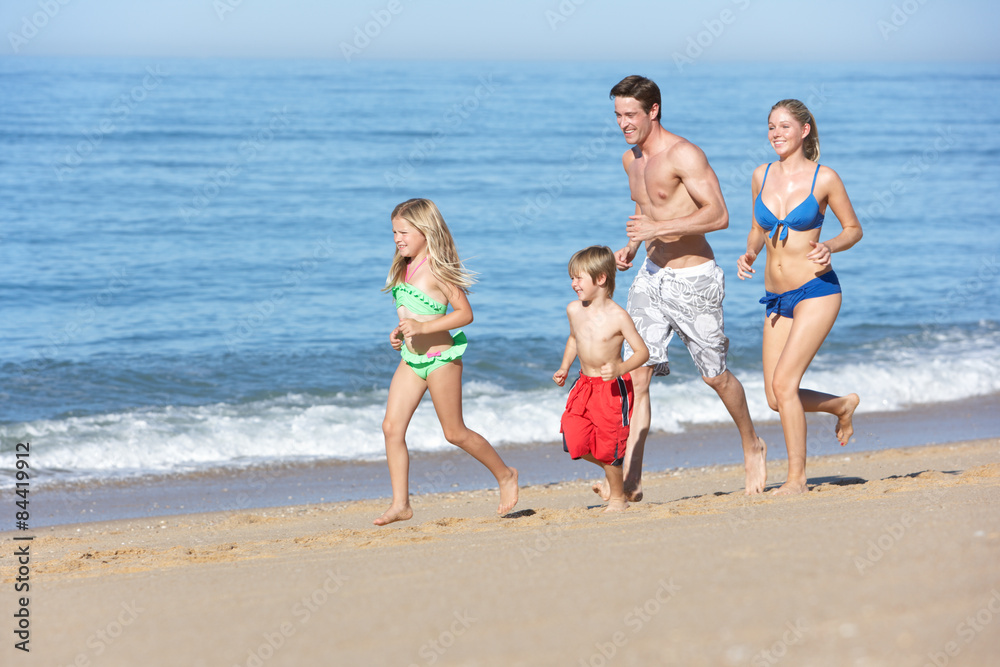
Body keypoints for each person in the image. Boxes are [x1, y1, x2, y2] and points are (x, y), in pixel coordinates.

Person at [606, 75, 767, 499]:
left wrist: (658, 226)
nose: (623, 123)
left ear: (653, 110)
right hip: (651, 275)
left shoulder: (684, 154)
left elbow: (718, 215)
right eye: (618, 115)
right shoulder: (631, 160)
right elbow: (646, 211)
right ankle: (632, 478)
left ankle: (752, 443)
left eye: (630, 115)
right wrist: (630, 247)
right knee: (636, 376)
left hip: (694, 279)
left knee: (714, 376)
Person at [737, 99, 863, 495]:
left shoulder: (824, 178)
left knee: (786, 383)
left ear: (805, 130)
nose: (775, 133)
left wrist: (831, 246)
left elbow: (853, 229)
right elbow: (758, 227)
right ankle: (841, 405)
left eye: (784, 126)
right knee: (776, 397)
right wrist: (750, 253)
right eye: (771, 126)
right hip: (776, 298)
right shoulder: (761, 174)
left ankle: (796, 480)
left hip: (816, 290)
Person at [375, 198, 519, 525]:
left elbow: (465, 314)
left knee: (454, 432)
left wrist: (425, 327)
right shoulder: (402, 267)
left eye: (404, 232)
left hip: (441, 359)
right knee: (391, 428)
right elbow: (410, 314)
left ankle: (506, 474)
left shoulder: (437, 269)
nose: (398, 238)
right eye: (394, 232)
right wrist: (399, 333)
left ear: (425, 231)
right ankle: (401, 504)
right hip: (412, 359)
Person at [553, 246, 650, 512]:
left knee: (609, 445)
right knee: (573, 438)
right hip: (584, 384)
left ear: (601, 279)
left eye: (578, 278)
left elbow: (643, 352)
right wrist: (564, 367)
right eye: (571, 278)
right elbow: (574, 339)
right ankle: (613, 476)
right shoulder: (574, 310)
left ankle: (618, 499)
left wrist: (620, 369)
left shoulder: (618, 316)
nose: (573, 284)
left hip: (612, 389)